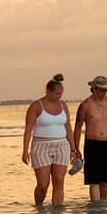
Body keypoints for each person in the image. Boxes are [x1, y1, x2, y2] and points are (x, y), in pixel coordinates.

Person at [22, 73, 76, 206]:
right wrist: (25, 151)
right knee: (43, 184)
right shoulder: (36, 106)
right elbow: (28, 130)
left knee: (59, 182)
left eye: (61, 93)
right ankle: (39, 209)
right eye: (57, 93)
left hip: (61, 145)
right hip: (41, 146)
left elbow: (68, 128)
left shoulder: (63, 105)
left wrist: (73, 149)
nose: (60, 96)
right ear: (48, 91)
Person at [72, 75, 107, 202]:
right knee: (94, 180)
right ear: (94, 89)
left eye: (105, 90)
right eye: (101, 90)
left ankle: (103, 207)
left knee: (105, 179)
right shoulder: (85, 105)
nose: (103, 93)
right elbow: (77, 127)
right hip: (92, 144)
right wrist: (76, 149)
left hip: (106, 145)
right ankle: (95, 208)